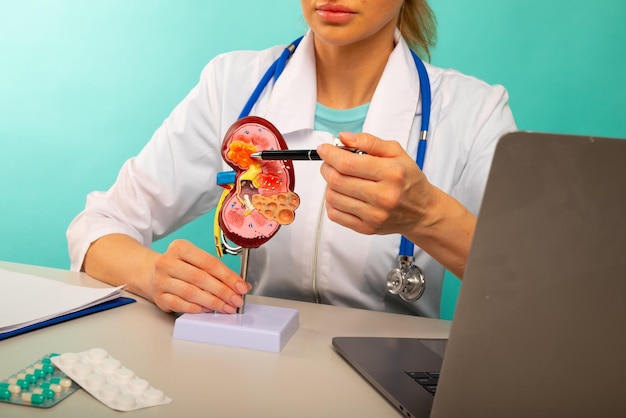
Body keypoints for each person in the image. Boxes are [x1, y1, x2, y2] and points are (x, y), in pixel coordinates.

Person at [67, 0, 516, 318]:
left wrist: (427, 216)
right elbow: (96, 228)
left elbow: (533, 287)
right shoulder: (232, 85)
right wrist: (154, 274)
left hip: (391, 383)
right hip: (251, 370)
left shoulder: (474, 114)